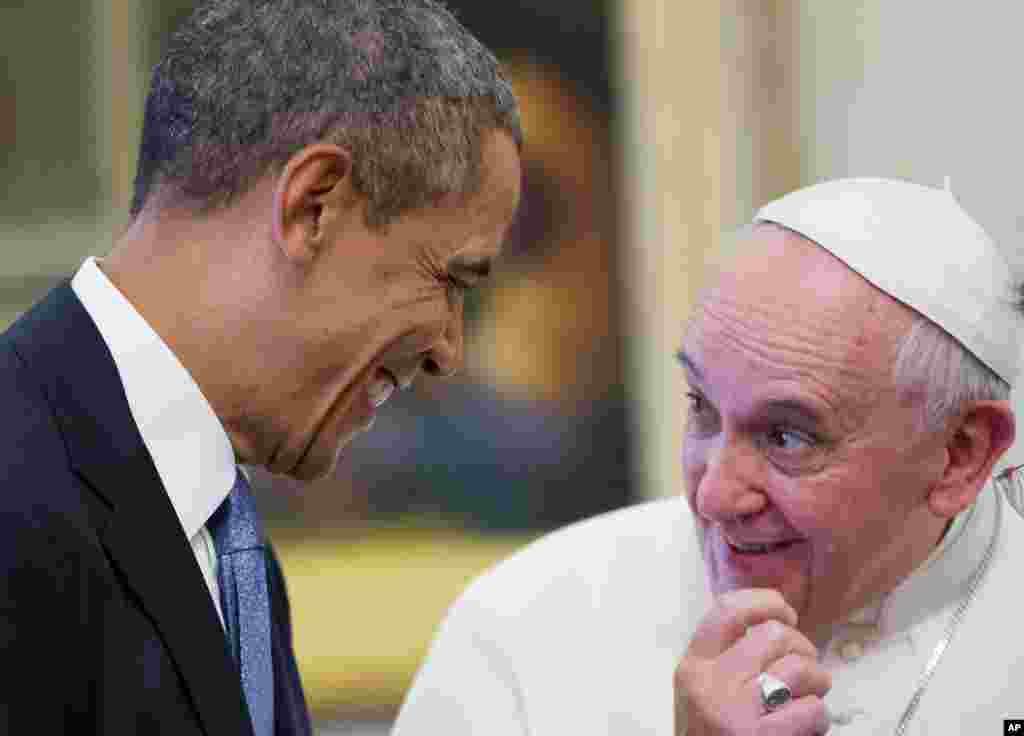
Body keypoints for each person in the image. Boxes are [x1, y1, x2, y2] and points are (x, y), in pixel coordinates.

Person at [0, 1, 522, 733]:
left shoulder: (229, 549)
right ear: (315, 205)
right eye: (450, 280)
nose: (447, 352)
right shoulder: (17, 487)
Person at [392, 178, 1024, 735]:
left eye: (787, 437)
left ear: (958, 456)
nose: (713, 496)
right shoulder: (528, 627)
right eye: (702, 408)